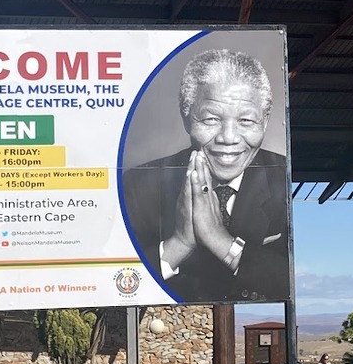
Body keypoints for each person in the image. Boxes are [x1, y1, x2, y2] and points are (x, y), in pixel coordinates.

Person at [121, 49, 290, 302]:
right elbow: (114, 280)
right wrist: (178, 244)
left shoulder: (287, 180)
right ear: (187, 118)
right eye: (211, 119)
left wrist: (219, 240)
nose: (229, 138)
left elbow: (295, 282)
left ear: (264, 122)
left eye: (246, 121)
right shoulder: (138, 186)